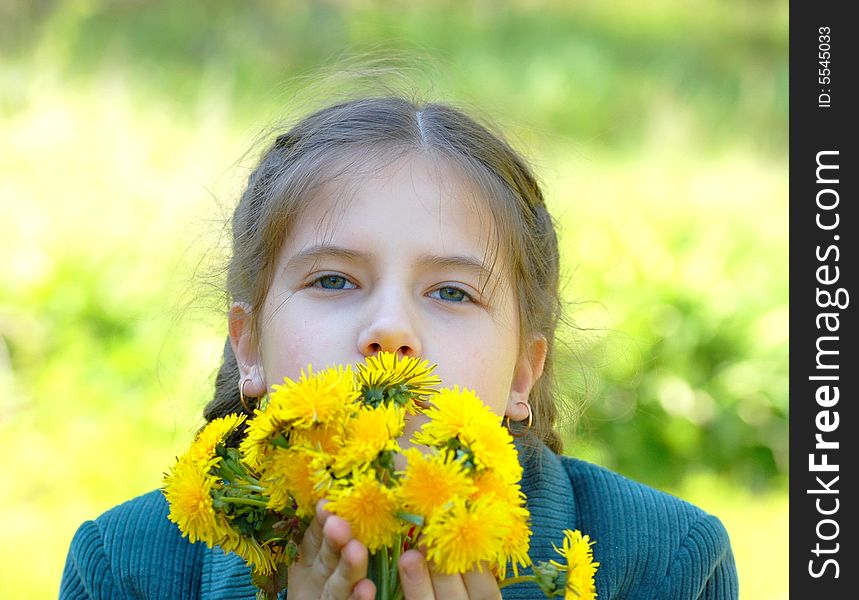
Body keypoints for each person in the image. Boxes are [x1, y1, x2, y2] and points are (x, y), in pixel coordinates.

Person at [60, 95, 738, 599]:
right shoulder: (121, 567)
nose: (391, 330)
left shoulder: (671, 561)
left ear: (522, 375)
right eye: (334, 280)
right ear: (249, 345)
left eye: (450, 292)